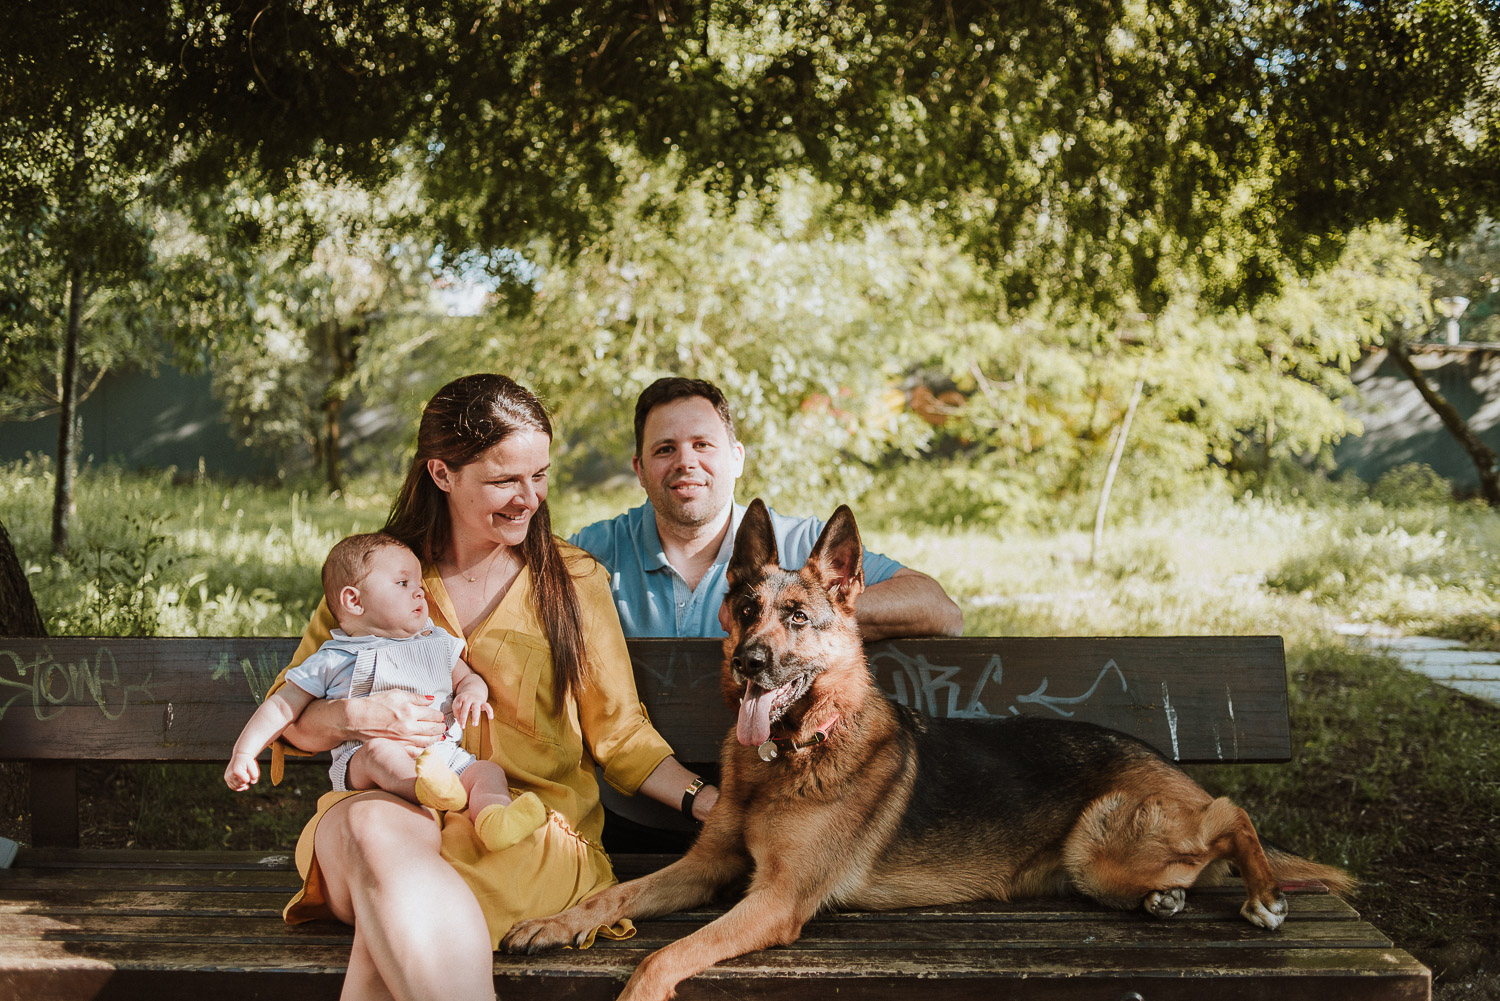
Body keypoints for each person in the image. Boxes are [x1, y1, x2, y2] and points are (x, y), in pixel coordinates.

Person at [263, 374, 719, 1001]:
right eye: (505, 481)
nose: (528, 499)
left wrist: (711, 804)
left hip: (519, 831)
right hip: (394, 816)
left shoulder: (573, 580)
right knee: (369, 823)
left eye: (540, 476)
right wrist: (359, 714)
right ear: (442, 474)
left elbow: (620, 735)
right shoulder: (375, 578)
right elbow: (294, 723)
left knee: (391, 899)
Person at [569, 377, 964, 641]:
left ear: (736, 458)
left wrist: (798, 613)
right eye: (665, 449)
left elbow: (940, 609)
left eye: (702, 445)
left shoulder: (802, 547)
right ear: (640, 470)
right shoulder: (593, 552)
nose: (686, 462)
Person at [226, 533, 541, 850]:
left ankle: (494, 820)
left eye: (419, 584)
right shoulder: (334, 657)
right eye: (403, 583)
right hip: (365, 763)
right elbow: (281, 707)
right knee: (380, 753)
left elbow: (468, 679)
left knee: (486, 771)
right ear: (355, 601)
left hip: (443, 756)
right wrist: (244, 753)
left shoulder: (436, 642)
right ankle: (423, 789)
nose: (419, 592)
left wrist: (472, 694)